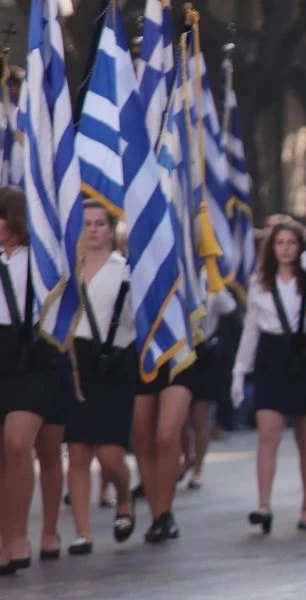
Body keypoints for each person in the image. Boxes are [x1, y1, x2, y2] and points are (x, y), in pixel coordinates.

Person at [231, 221, 306, 532]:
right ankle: (263, 505)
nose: (285, 248)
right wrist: (239, 371)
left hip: (302, 353)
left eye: (291, 243)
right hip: (271, 355)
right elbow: (251, 330)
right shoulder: (259, 282)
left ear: (300, 247)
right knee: (268, 434)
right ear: (271, 248)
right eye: (280, 243)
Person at [62, 201, 138, 555]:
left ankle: (124, 497)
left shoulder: (124, 271)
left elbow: (138, 323)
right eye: (87, 224)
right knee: (77, 452)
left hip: (114, 365)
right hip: (76, 365)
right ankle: (83, 532)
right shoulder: (66, 271)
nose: (93, 230)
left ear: (111, 230)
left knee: (109, 456)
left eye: (100, 224)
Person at [0, 187, 63, 572]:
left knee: (18, 444)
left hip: (34, 355)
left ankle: (21, 534)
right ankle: (4, 538)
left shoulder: (40, 259)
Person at [186, 274, 238, 490]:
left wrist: (217, 285)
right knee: (179, 418)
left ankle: (198, 468)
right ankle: (187, 456)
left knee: (200, 417)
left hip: (205, 352)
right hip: (182, 351)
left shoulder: (211, 280)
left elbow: (229, 308)